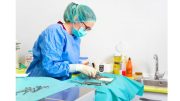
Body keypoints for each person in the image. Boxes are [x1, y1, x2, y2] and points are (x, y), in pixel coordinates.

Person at [26, 2, 97, 80]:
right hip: (41, 81)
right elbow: (50, 67)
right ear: (76, 19)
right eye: (86, 28)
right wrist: (78, 67)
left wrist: (84, 66)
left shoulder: (75, 38)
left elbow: (70, 64)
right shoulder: (54, 32)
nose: (86, 31)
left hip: (60, 82)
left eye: (89, 29)